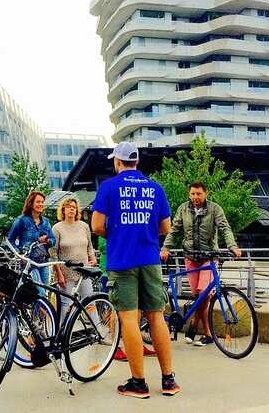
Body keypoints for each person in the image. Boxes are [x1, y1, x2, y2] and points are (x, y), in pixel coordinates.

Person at [91, 142, 179, 399]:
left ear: (117, 162)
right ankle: (168, 380)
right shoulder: (155, 188)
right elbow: (165, 227)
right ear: (136, 162)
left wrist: (118, 234)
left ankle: (139, 383)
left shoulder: (108, 187)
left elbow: (96, 226)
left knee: (129, 319)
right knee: (156, 317)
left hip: (122, 261)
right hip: (150, 259)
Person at [160, 181, 242, 347]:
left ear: (206, 194)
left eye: (198, 194)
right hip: (190, 256)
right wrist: (165, 248)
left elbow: (225, 228)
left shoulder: (214, 209)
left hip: (209, 257)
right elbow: (174, 229)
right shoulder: (183, 208)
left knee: (204, 293)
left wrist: (232, 245)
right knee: (199, 296)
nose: (195, 197)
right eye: (192, 194)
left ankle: (193, 325)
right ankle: (207, 333)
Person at [98, 236, 156, 361]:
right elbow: (102, 246)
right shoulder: (108, 222)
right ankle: (115, 346)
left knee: (137, 308)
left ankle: (138, 344)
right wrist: (125, 245)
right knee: (114, 309)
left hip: (132, 268)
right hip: (111, 271)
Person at [49, 197, 97, 324]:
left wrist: (92, 258)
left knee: (90, 300)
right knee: (64, 303)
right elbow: (53, 253)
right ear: (63, 210)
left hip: (83, 270)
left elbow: (89, 247)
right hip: (65, 271)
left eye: (74, 207)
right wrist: (59, 273)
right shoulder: (57, 228)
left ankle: (98, 331)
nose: (72, 209)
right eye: (69, 206)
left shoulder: (84, 226)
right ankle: (61, 333)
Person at [7, 191, 55, 291]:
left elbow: (53, 239)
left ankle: (36, 307)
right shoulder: (22, 220)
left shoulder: (46, 221)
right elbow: (10, 240)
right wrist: (19, 253)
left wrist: (48, 241)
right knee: (39, 292)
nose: (41, 204)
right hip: (29, 261)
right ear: (31, 203)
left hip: (44, 261)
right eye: (38, 202)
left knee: (44, 291)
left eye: (42, 202)